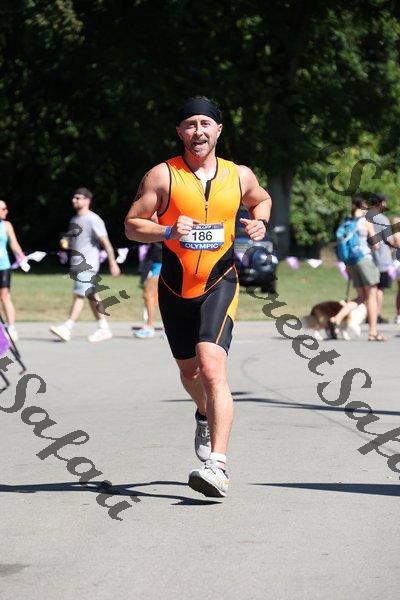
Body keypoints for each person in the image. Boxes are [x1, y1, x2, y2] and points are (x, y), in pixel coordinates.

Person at [124, 96, 271, 497]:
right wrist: (167, 231)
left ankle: (217, 466)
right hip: (175, 287)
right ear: (180, 132)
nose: (198, 131)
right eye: (190, 124)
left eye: (206, 124)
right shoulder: (162, 176)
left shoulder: (239, 175)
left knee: (211, 367)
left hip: (219, 281)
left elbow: (261, 199)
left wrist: (259, 222)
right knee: (189, 373)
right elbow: (132, 225)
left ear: (218, 130)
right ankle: (203, 413)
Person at [50, 187, 121, 343]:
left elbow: (106, 243)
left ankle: (67, 327)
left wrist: (113, 263)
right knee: (92, 296)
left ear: (87, 200)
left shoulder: (93, 219)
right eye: (74, 197)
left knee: (79, 295)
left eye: (78, 198)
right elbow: (72, 240)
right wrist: (66, 241)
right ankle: (104, 328)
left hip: (87, 265)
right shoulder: (74, 219)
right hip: (77, 264)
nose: (74, 200)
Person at [330, 196, 383, 341]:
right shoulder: (365, 221)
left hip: (350, 262)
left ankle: (336, 319)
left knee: (361, 296)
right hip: (364, 260)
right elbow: (376, 245)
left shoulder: (347, 221)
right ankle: (373, 332)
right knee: (371, 296)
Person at [0, 199, 27, 342]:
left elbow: (14, 244)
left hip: (3, 266)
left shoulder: (6, 225)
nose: (6, 211)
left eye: (6, 208)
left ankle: (11, 327)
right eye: (3, 209)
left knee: (4, 297)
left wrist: (22, 258)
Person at [368, 193, 393, 323]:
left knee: (370, 288)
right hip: (382, 257)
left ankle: (369, 314)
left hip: (368, 257)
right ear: (380, 203)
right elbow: (390, 239)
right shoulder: (383, 219)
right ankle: (376, 314)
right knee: (380, 288)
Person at [134, 242, 162, 338]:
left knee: (148, 294)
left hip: (161, 262)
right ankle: (150, 326)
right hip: (152, 261)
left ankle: (149, 327)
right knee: (148, 295)